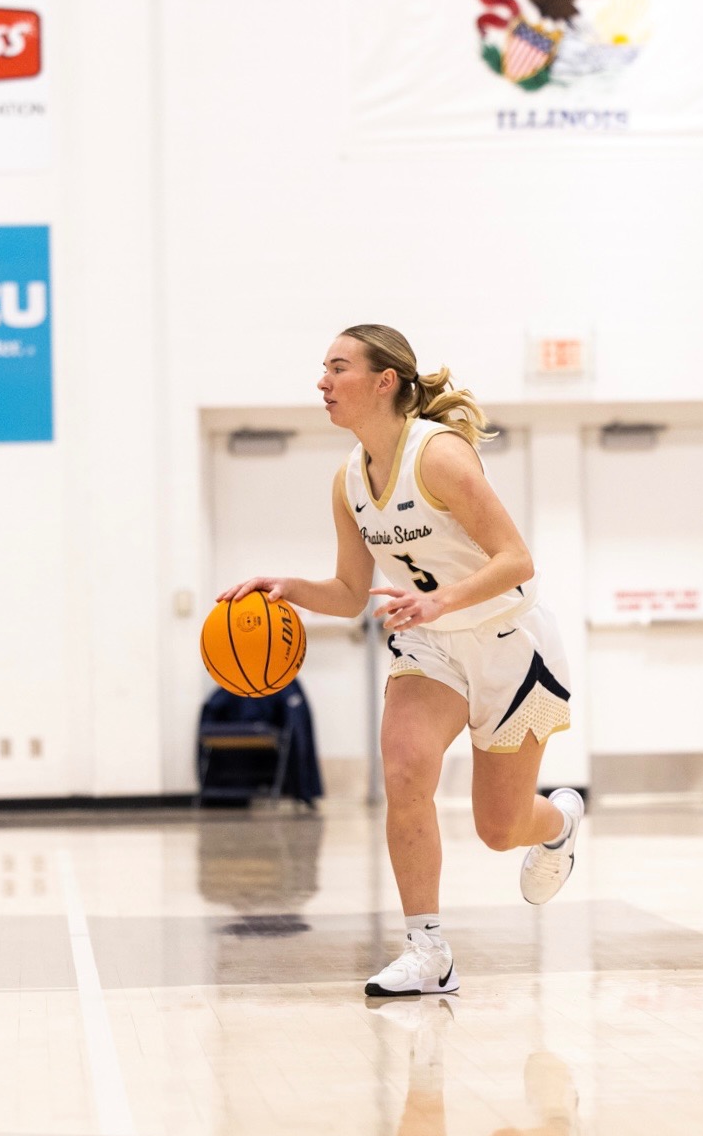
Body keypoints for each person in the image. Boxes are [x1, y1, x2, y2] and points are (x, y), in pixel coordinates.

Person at [222, 324, 580, 998]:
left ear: (384, 382)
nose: (322, 382)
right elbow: (352, 591)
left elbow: (517, 561)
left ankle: (559, 822)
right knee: (407, 770)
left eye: (338, 368)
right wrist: (289, 590)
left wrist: (443, 599)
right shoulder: (349, 482)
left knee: (500, 829)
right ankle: (427, 950)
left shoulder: (439, 457)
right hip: (432, 643)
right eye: (322, 369)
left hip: (508, 641)